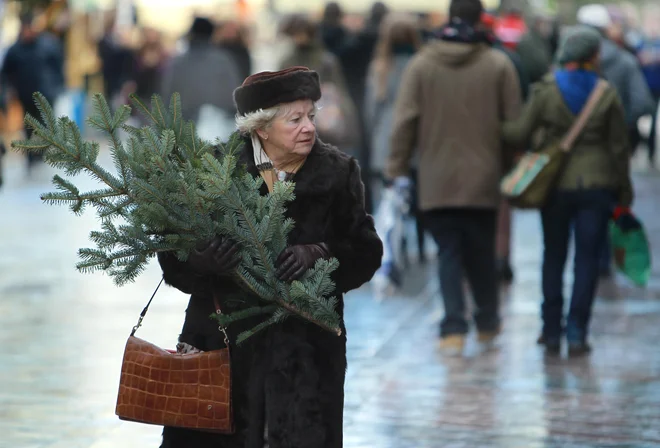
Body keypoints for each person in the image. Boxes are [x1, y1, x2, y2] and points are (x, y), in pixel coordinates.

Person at [157, 66, 383, 447]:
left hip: (306, 356)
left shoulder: (337, 173)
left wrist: (321, 253)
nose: (309, 127)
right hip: (222, 349)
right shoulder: (213, 169)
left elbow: (366, 252)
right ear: (261, 127)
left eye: (311, 115)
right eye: (295, 119)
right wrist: (200, 259)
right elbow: (172, 256)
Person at [386, 0, 522, 355]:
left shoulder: (422, 65)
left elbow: (404, 123)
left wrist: (396, 168)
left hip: (436, 177)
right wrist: (510, 166)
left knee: (447, 252)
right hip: (485, 177)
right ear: (481, 19)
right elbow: (514, 126)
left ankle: (453, 328)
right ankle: (488, 322)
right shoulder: (497, 64)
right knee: (481, 249)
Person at [501, 26, 634, 356]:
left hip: (555, 185)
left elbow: (519, 132)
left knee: (553, 256)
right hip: (597, 186)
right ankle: (577, 333)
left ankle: (550, 330)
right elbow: (619, 148)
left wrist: (490, 123)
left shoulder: (545, 90)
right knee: (587, 260)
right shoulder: (606, 93)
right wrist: (624, 193)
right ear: (592, 56)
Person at [364, 13, 426, 261]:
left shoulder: (379, 68)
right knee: (419, 197)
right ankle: (420, 246)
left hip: (386, 140)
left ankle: (392, 248)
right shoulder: (423, 66)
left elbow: (371, 111)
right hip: (418, 140)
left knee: (386, 198)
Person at [278, 15, 360, 153]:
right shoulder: (288, 60)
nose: (298, 37)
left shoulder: (326, 60)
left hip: (321, 118)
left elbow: (339, 92)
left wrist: (346, 119)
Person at [1, 12, 65, 170]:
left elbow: (58, 67)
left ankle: (41, 153)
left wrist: (57, 86)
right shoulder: (15, 49)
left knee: (44, 124)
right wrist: (10, 90)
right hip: (25, 94)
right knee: (28, 125)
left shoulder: (48, 45)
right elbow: (7, 73)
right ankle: (31, 154)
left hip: (46, 93)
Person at [160, 17, 241, 123]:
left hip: (184, 124)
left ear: (192, 33)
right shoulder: (223, 60)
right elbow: (235, 93)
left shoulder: (178, 62)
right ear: (212, 34)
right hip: (218, 124)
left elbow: (167, 94)